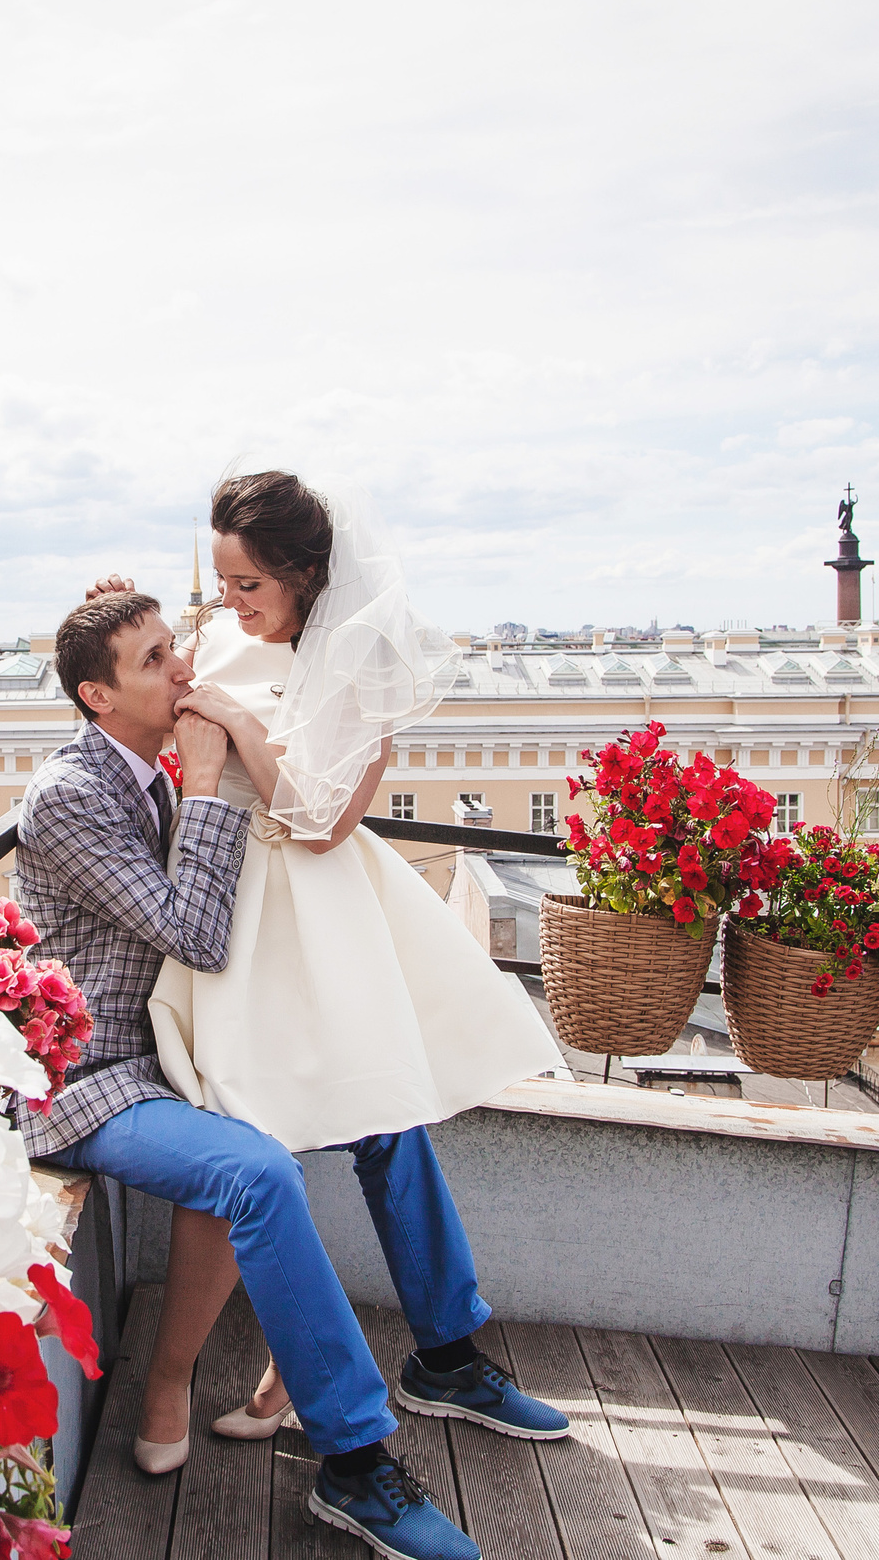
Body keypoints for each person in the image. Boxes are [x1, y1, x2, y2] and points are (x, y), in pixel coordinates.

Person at [13, 580, 566, 1560]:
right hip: (99, 1078)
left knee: (381, 1103)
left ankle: (445, 1354)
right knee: (258, 1169)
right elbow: (195, 930)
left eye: (173, 646)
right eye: (155, 662)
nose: (184, 667)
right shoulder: (71, 796)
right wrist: (211, 779)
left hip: (194, 1037)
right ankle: (355, 1464)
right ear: (97, 700)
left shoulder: (147, 751)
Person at [133, 471, 562, 1463]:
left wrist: (238, 726)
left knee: (377, 1122)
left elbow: (321, 824)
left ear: (302, 571)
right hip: (229, 922)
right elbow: (162, 713)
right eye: (222, 582)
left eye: (246, 584)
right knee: (266, 1141)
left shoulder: (367, 658)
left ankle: (435, 1360)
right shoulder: (232, 637)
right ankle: (343, 1368)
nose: (230, 603)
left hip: (318, 920)